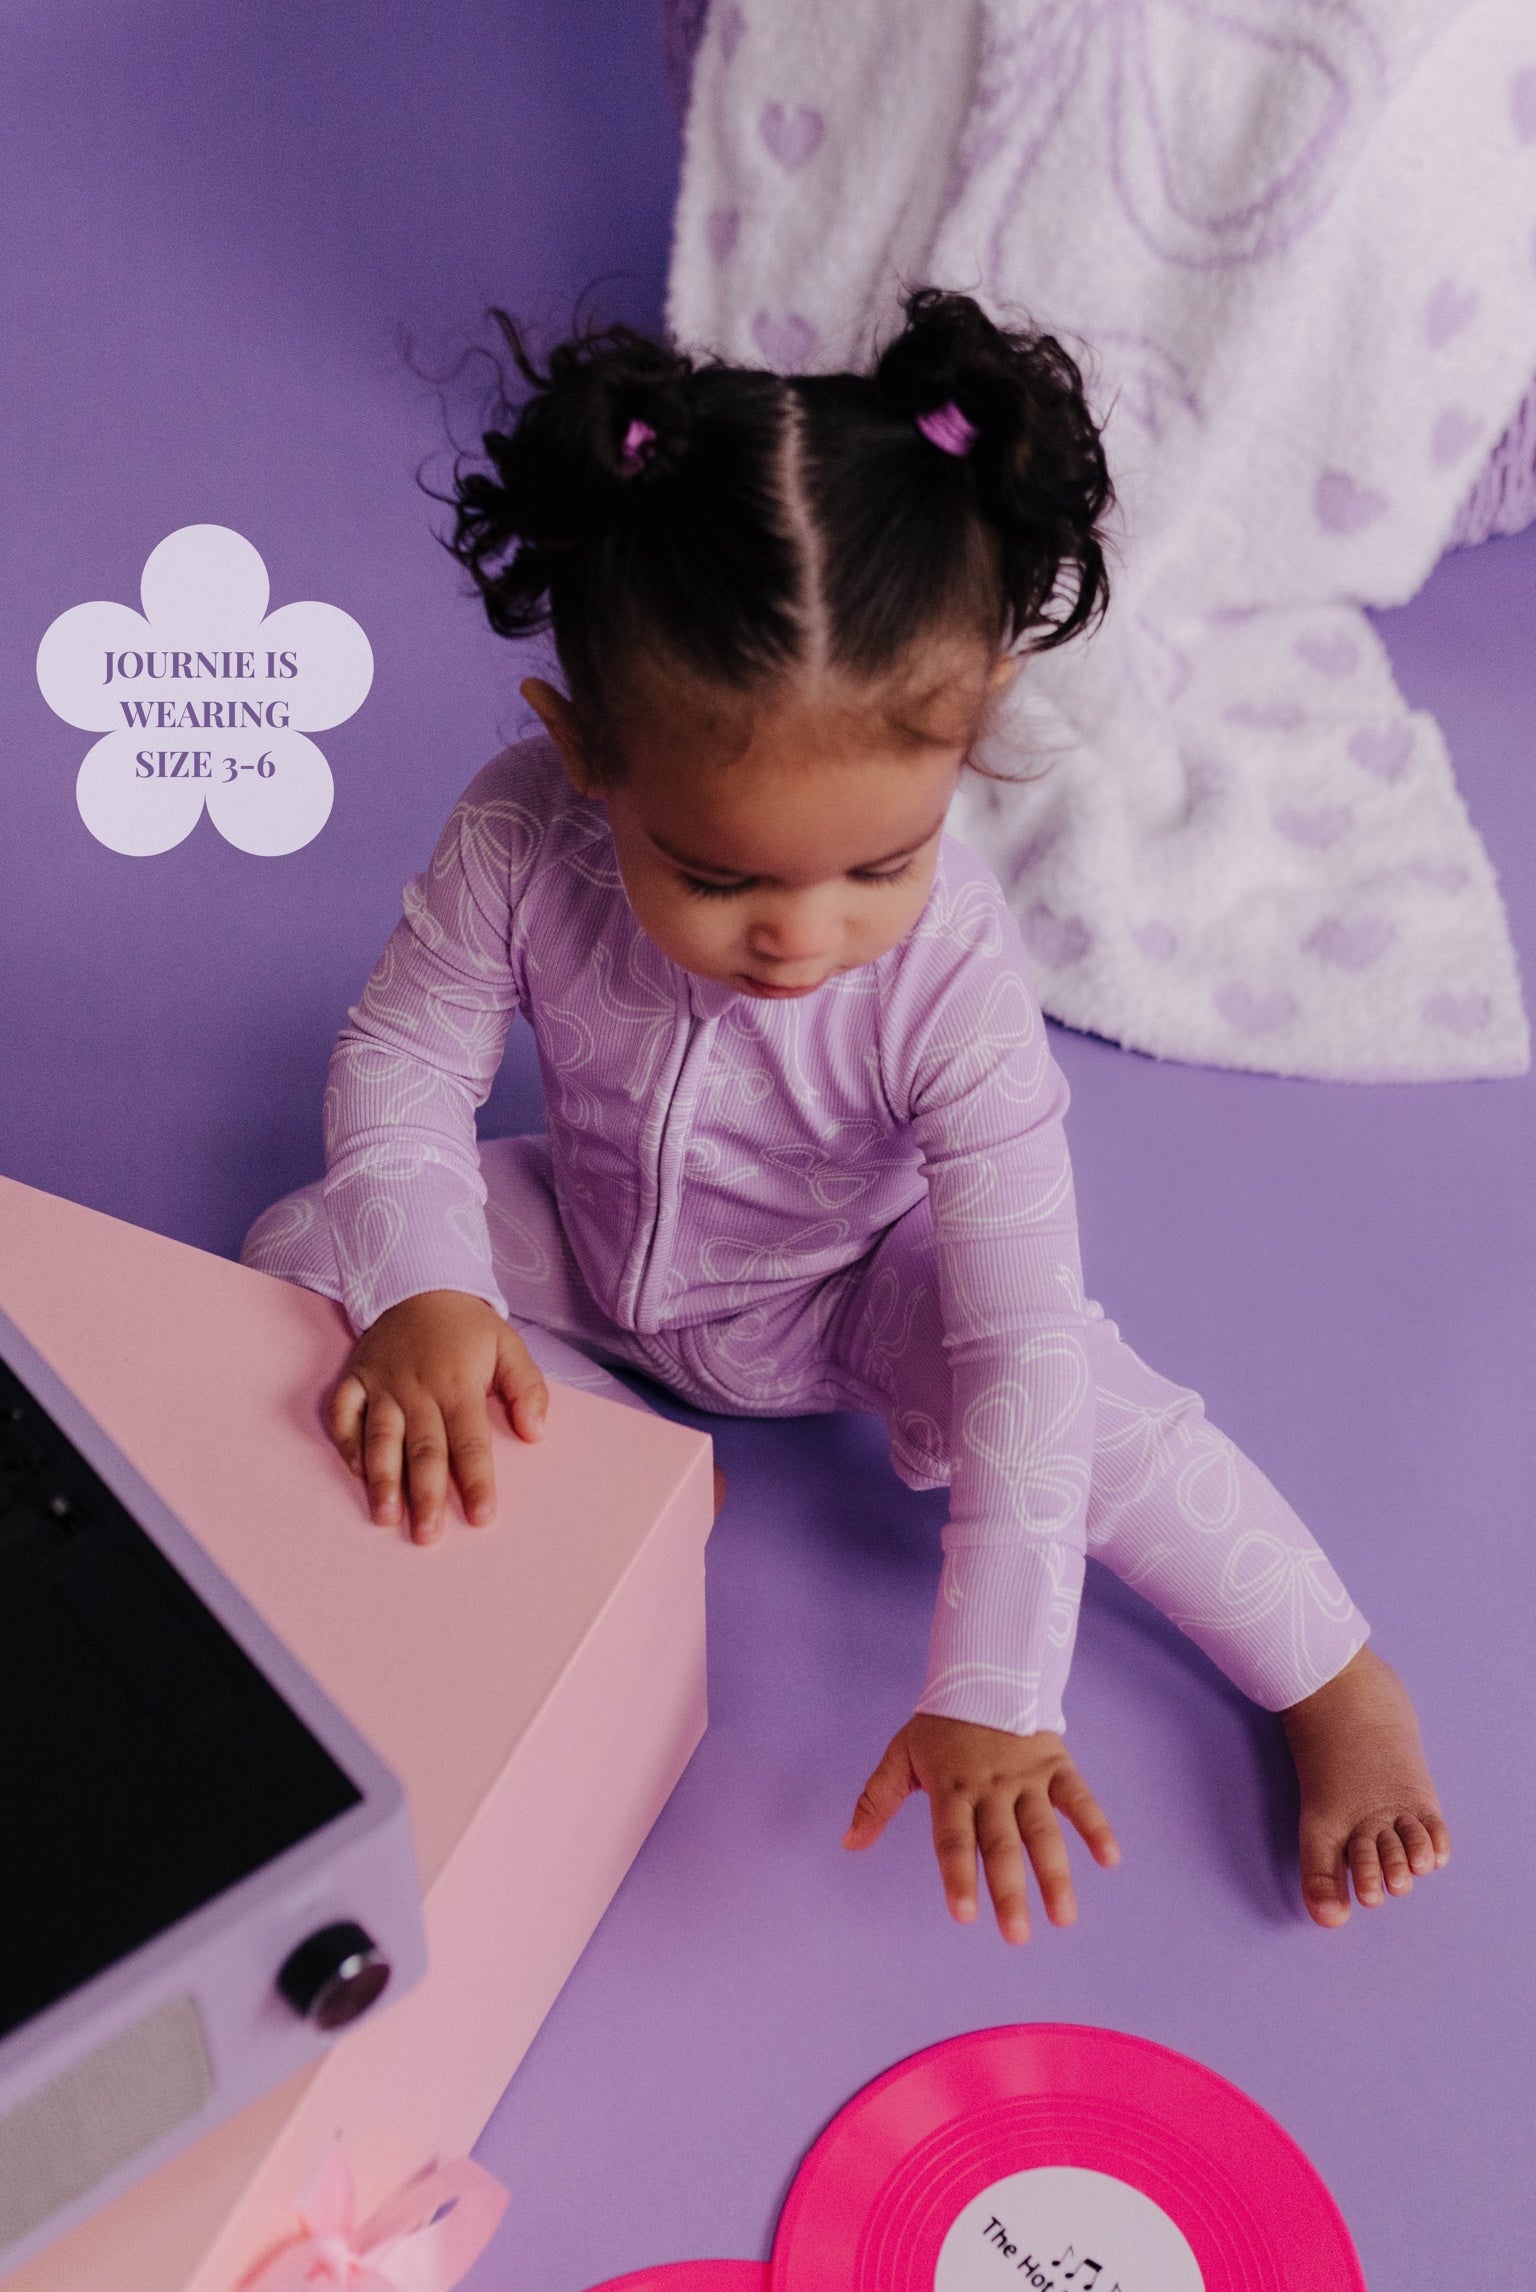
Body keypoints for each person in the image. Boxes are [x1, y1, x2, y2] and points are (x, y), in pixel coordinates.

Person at [244, 289, 1448, 1941]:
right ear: (586, 751)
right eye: (719, 874)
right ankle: (613, 1451)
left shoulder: (954, 983)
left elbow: (1018, 1349)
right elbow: (404, 1060)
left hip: (849, 1293)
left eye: (879, 864)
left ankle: (1332, 1671)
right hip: (591, 1252)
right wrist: (434, 1294)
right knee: (307, 1247)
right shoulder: (523, 830)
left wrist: (997, 1690)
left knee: (1077, 1389)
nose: (802, 937)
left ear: (971, 748)